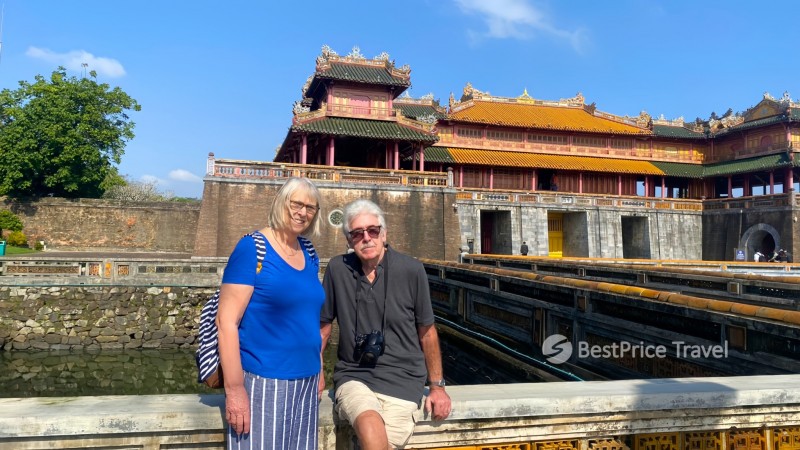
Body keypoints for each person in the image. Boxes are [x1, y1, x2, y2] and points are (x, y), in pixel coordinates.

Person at [320, 199, 452, 449]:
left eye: (373, 230)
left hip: (403, 379)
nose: (366, 238)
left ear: (384, 233)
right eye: (357, 234)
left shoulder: (411, 270)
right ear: (348, 240)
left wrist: (437, 386)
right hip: (354, 374)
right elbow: (323, 326)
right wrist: (315, 368)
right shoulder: (338, 269)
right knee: (370, 426)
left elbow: (427, 332)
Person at [217, 177, 324, 449]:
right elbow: (227, 322)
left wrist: (320, 368)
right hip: (264, 382)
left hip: (307, 382)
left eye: (310, 207)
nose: (303, 212)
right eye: (296, 204)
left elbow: (309, 320)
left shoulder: (309, 251)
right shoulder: (253, 248)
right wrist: (235, 389)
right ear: (280, 203)